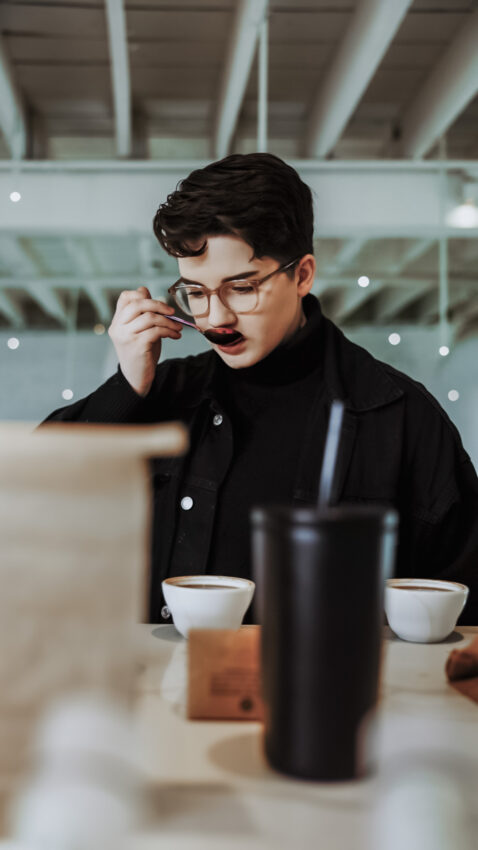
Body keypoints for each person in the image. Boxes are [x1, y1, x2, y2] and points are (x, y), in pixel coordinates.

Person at [44, 153, 478, 624]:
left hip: (328, 692)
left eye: (242, 288)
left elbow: (466, 598)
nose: (215, 318)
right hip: (163, 691)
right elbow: (36, 502)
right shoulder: (161, 393)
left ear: (303, 274)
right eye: (195, 291)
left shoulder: (399, 415)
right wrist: (126, 386)